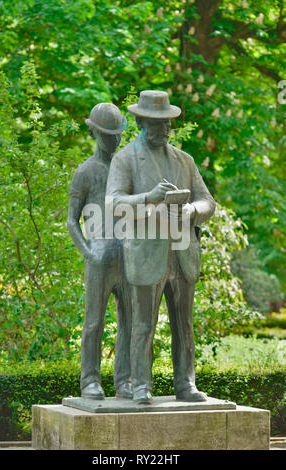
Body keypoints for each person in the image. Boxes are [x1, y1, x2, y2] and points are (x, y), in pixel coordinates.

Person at [106, 90, 216, 404]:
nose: (162, 129)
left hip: (182, 253)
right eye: (155, 123)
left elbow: (208, 201)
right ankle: (140, 386)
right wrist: (150, 197)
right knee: (143, 324)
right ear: (140, 121)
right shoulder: (125, 158)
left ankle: (186, 384)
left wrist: (192, 211)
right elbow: (113, 203)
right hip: (146, 253)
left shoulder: (185, 160)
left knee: (184, 324)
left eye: (166, 123)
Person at [67, 103, 132, 400]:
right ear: (93, 132)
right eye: (107, 135)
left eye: (117, 135)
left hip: (128, 255)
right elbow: (71, 220)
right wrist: (88, 253)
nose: (113, 140)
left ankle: (125, 380)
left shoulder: (127, 169)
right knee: (94, 321)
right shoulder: (85, 172)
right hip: (99, 255)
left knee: (131, 322)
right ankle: (89, 380)